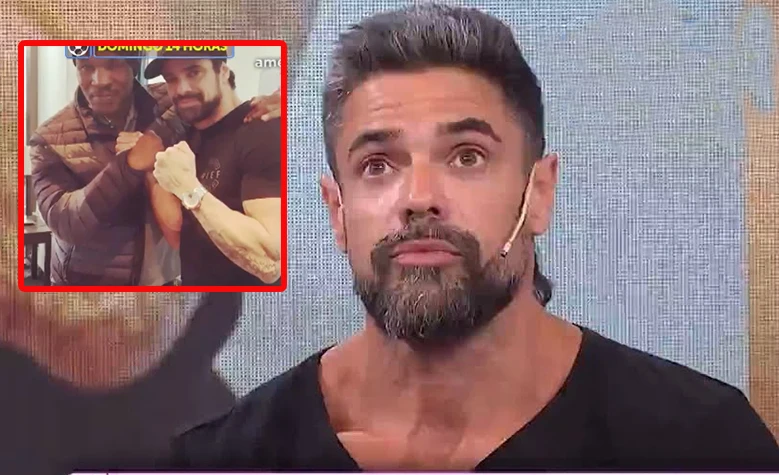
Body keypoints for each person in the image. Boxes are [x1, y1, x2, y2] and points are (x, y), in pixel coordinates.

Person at [166, 4, 779, 471]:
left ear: (539, 192)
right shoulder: (222, 461)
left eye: (466, 156)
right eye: (378, 164)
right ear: (337, 212)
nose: (418, 196)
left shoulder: (702, 445)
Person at [28, 48, 279, 286]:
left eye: (113, 64)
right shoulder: (49, 137)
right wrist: (130, 164)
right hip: (88, 283)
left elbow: (215, 100)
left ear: (132, 67)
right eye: (86, 67)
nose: (100, 80)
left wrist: (285, 102)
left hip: (165, 279)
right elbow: (65, 223)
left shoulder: (170, 102)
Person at [128, 48, 283, 286]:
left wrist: (189, 189)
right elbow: (182, 236)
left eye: (194, 72)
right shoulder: (189, 137)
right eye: (171, 79)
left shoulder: (262, 130)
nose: (182, 89)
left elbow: (270, 264)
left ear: (223, 71)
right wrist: (154, 171)